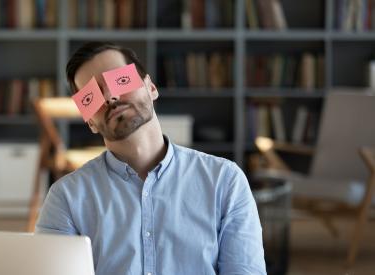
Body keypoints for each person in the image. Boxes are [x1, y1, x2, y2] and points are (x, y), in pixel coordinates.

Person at [36, 41, 266, 275]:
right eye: (91, 96)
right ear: (90, 122)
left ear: (151, 87)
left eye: (120, 79)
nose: (110, 96)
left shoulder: (225, 181)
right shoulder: (65, 198)